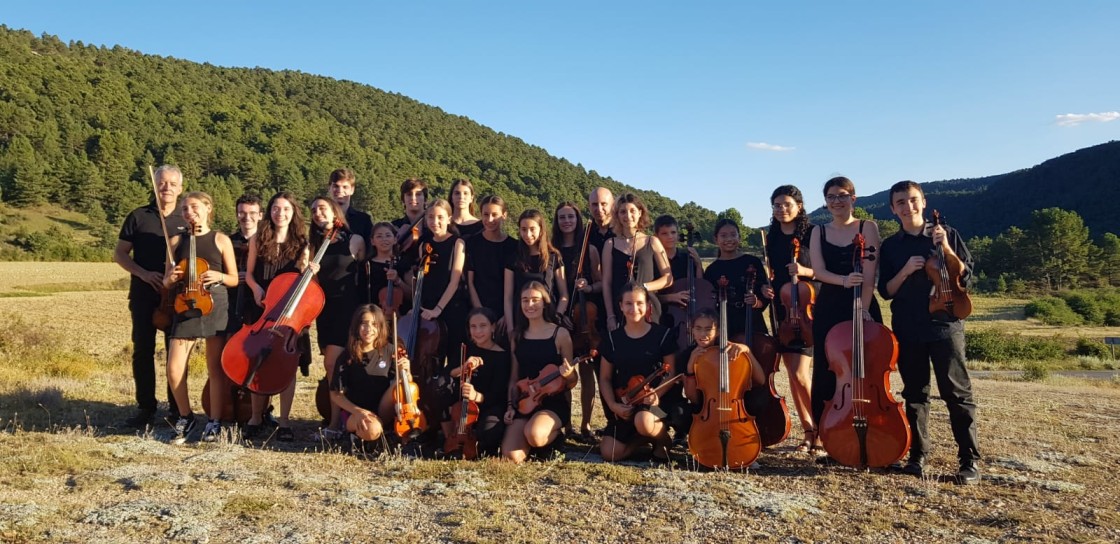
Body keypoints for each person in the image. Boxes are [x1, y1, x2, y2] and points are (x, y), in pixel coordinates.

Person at [878, 180, 981, 484]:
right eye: (900, 202)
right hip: (908, 325)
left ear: (923, 202)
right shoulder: (891, 246)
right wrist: (907, 269)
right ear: (893, 209)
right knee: (915, 393)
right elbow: (886, 291)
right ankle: (918, 455)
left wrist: (946, 247)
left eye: (912, 200)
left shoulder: (946, 233)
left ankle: (969, 459)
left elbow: (966, 276)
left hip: (946, 322)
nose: (908, 207)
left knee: (957, 393)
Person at [807, 176, 883, 455]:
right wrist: (843, 280)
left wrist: (862, 308)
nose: (836, 201)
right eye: (831, 196)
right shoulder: (818, 232)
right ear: (826, 201)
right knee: (827, 370)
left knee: (868, 369)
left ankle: (873, 428)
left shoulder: (868, 227)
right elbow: (818, 272)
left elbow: (870, 273)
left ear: (853, 197)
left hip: (861, 303)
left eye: (842, 195)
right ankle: (825, 433)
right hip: (829, 305)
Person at [114, 164, 188, 427]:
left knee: (174, 353)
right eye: (162, 182)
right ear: (155, 185)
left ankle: (177, 410)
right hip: (143, 294)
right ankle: (146, 408)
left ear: (180, 188)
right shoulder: (138, 216)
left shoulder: (186, 219)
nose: (166, 187)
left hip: (176, 298)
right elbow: (120, 254)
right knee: (142, 351)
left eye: (171, 183)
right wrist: (144, 274)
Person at [162, 192, 239, 442]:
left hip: (214, 303)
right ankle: (187, 416)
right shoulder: (174, 241)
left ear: (208, 208)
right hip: (185, 304)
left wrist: (219, 277)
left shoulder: (220, 239)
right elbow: (166, 280)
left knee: (214, 368)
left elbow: (234, 279)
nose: (188, 212)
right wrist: (170, 279)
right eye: (184, 209)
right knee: (173, 369)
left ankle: (215, 421)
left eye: (194, 207)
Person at [242, 192, 314, 441]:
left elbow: (305, 278)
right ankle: (255, 417)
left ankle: (284, 421)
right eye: (275, 208)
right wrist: (256, 289)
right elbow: (249, 274)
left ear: (293, 213)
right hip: (262, 308)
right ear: (269, 212)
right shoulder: (257, 240)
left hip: (290, 313)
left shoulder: (303, 243)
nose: (280, 213)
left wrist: (309, 269)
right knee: (257, 362)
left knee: (287, 367)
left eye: (285, 209)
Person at [760, 186, 817, 452]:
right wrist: (766, 288)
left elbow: (823, 270)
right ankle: (808, 431)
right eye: (777, 205)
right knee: (794, 377)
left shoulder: (812, 234)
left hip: (808, 309)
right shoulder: (770, 238)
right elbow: (770, 274)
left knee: (801, 374)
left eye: (787, 204)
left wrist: (805, 270)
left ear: (799, 206)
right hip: (782, 311)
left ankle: (820, 430)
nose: (782, 209)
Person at [598, 284, 682, 462]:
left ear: (648, 305)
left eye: (639, 303)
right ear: (620, 306)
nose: (634, 308)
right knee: (609, 453)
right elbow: (604, 378)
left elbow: (671, 372)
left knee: (644, 420)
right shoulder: (613, 338)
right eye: (628, 303)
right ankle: (642, 440)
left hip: (658, 406)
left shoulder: (663, 334)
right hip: (627, 403)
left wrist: (655, 394)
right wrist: (613, 405)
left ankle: (663, 440)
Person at [309, 196, 365, 438]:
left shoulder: (355, 241)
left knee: (334, 365)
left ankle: (335, 424)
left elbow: (365, 277)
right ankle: (339, 420)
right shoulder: (315, 244)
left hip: (349, 309)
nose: (317, 213)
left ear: (334, 212)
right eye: (313, 210)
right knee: (332, 367)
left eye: (322, 208)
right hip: (325, 310)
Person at [501, 282, 576, 463]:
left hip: (553, 402)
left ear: (545, 303)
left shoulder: (560, 334)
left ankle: (555, 437)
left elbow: (572, 382)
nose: (530, 305)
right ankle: (536, 443)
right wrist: (511, 405)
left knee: (535, 435)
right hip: (526, 401)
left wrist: (568, 375)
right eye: (525, 300)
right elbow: (514, 376)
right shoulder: (517, 336)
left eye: (535, 300)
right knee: (512, 456)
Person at [329, 304, 412, 448]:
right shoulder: (346, 356)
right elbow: (336, 394)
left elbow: (407, 385)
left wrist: (406, 371)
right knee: (373, 430)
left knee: (400, 385)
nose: (368, 329)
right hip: (355, 412)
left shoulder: (391, 350)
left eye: (374, 324)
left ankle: (379, 435)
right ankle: (368, 436)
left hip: (382, 410)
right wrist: (358, 411)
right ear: (356, 326)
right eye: (364, 323)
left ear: (380, 327)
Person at [682, 309, 768, 445]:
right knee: (682, 413)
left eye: (708, 329)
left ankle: (746, 441)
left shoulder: (730, 350)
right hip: (706, 407)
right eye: (698, 329)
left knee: (759, 399)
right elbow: (693, 397)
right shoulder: (689, 354)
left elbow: (761, 380)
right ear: (692, 330)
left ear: (717, 331)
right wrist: (690, 367)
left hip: (733, 405)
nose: (703, 334)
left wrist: (747, 351)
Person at [554, 201, 602, 439]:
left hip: (586, 317)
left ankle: (585, 424)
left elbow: (602, 282)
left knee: (586, 372)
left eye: (570, 217)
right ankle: (564, 423)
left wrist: (589, 286)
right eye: (562, 217)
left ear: (577, 220)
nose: (566, 221)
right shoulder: (551, 249)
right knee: (563, 371)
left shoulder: (590, 249)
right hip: (560, 316)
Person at [445, 308, 512, 457]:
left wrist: (477, 396)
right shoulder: (465, 349)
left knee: (489, 432)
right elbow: (448, 372)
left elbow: (498, 393)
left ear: (493, 327)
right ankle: (450, 439)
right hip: (460, 406)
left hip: (488, 405)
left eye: (483, 326)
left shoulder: (501, 356)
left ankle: (475, 442)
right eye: (473, 326)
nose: (478, 331)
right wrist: (462, 368)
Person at [602, 193, 673, 330]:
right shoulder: (610, 244)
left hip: (648, 308)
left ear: (640, 213)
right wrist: (610, 315)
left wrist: (643, 287)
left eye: (632, 211)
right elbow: (607, 283)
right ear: (617, 215)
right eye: (623, 212)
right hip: (621, 310)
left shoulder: (652, 241)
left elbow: (668, 278)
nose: (628, 216)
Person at [702, 219, 769, 341]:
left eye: (733, 235)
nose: (729, 239)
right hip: (725, 322)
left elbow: (764, 292)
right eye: (723, 236)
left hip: (752, 321)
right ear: (716, 239)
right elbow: (708, 301)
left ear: (739, 237)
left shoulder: (753, 262)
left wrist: (756, 302)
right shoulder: (712, 270)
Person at [503, 209, 570, 324]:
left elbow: (564, 295)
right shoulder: (513, 257)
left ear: (541, 230)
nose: (528, 234)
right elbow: (508, 297)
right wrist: (510, 328)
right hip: (521, 320)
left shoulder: (554, 257)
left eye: (532, 229)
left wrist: (557, 317)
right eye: (523, 229)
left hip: (548, 319)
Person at [466, 195, 517, 333]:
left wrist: (507, 316)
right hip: (478, 315)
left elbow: (514, 286)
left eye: (495, 215)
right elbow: (470, 282)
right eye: (486, 214)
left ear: (504, 215)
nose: (489, 220)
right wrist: (481, 314)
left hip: (505, 317)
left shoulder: (514, 246)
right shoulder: (472, 243)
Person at [653, 215, 706, 339]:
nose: (670, 237)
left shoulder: (686, 258)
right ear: (656, 237)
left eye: (673, 232)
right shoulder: (652, 261)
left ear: (678, 234)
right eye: (664, 233)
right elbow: (649, 295)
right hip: (661, 314)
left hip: (687, 313)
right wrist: (671, 297)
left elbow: (699, 285)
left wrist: (698, 265)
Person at [225, 194, 262, 334]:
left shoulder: (269, 242)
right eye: (242, 213)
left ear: (260, 215)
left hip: (259, 299)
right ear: (236, 215)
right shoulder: (227, 241)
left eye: (252, 213)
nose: (247, 217)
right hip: (232, 300)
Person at [328, 168, 373, 241]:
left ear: (352, 190)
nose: (340, 190)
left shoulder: (363, 220)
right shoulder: (321, 218)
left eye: (345, 187)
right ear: (329, 188)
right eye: (336, 186)